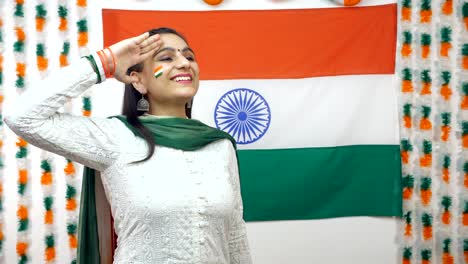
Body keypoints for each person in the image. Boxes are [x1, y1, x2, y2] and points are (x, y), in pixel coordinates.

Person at [4, 27, 252, 264]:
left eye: (189, 57)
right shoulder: (115, 137)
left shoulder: (220, 145)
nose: (184, 63)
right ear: (138, 81)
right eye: (166, 58)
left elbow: (235, 239)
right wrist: (105, 62)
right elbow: (22, 117)